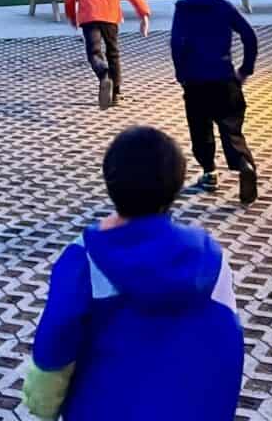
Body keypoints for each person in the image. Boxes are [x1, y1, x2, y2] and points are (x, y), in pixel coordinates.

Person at [22, 126, 244, 421]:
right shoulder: (212, 259)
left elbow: (55, 344)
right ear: (176, 185)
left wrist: (43, 405)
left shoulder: (83, 260)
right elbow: (226, 343)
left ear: (110, 182)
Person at [170, 0, 259, 205]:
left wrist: (181, 74)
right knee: (231, 128)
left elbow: (177, 44)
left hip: (196, 82)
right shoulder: (225, 7)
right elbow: (249, 37)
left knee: (200, 130)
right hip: (225, 78)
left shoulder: (183, 9)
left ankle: (209, 173)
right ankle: (243, 164)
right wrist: (245, 69)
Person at [63, 0, 150, 109]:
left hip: (88, 18)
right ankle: (116, 93)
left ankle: (103, 74)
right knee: (113, 54)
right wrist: (144, 15)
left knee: (94, 53)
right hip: (110, 18)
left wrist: (72, 16)